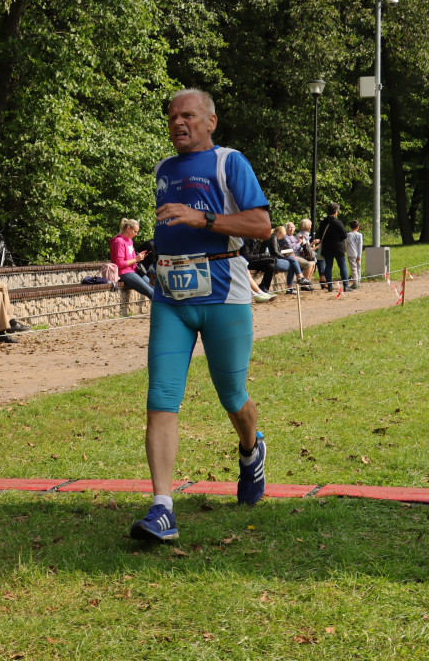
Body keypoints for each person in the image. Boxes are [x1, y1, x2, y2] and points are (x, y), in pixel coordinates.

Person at [130, 88, 271, 543]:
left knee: (233, 396)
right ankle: (162, 507)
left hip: (223, 296)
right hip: (170, 297)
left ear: (210, 121)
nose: (178, 122)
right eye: (172, 116)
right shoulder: (163, 170)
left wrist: (203, 220)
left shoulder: (229, 162)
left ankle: (252, 449)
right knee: (161, 396)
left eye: (187, 115)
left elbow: (261, 226)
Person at [110, 218, 153, 298]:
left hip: (134, 270)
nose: (136, 234)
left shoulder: (130, 241)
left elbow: (132, 258)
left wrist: (139, 257)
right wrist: (136, 259)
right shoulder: (118, 241)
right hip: (124, 273)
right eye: (135, 231)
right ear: (128, 228)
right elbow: (119, 263)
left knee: (156, 291)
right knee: (152, 293)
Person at [315, 203, 350, 292]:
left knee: (328, 266)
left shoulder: (323, 222)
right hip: (338, 247)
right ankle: (346, 286)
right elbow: (345, 235)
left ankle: (329, 286)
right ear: (336, 212)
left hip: (326, 247)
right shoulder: (338, 222)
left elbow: (319, 235)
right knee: (342, 266)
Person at [262, 226, 303, 293]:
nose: (281, 238)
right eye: (282, 236)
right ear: (279, 233)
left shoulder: (273, 237)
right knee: (292, 263)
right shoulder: (273, 237)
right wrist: (285, 257)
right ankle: (298, 279)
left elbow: (275, 251)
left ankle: (294, 284)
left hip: (272, 259)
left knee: (292, 260)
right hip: (272, 260)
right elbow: (275, 252)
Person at [346, 219, 363, 290]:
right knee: (358, 267)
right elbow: (360, 246)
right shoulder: (360, 235)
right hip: (357, 253)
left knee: (353, 268)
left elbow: (346, 245)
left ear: (350, 227)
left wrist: (347, 253)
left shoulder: (348, 235)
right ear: (358, 227)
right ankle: (358, 281)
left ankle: (355, 283)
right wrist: (359, 255)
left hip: (350, 253)